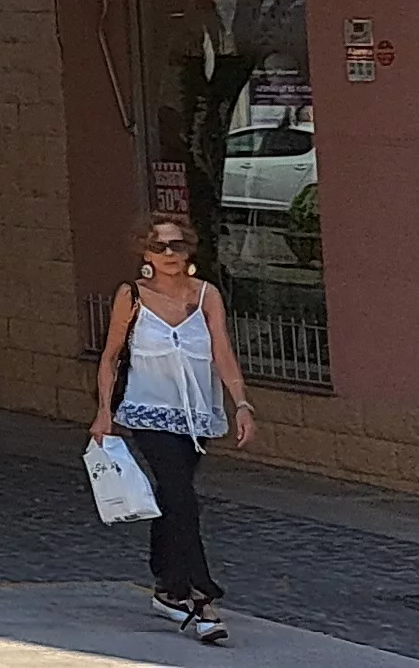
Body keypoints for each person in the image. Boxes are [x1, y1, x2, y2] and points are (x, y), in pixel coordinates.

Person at [91, 213, 256, 646]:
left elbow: (222, 351)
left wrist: (241, 404)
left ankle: (168, 588)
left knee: (172, 497)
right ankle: (203, 600)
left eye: (177, 245)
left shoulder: (206, 296)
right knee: (183, 498)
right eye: (160, 246)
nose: (169, 254)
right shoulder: (133, 296)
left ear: (190, 251)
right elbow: (110, 357)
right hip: (149, 414)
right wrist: (104, 413)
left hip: (197, 417)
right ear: (145, 252)